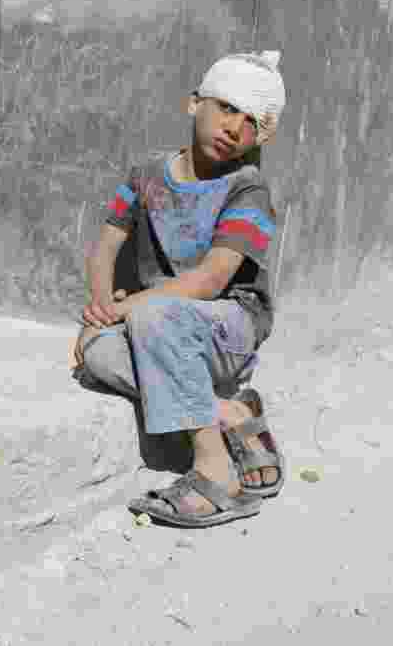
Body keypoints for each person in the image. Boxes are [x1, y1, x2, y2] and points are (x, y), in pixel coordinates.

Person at [73, 51, 287, 527]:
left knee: (152, 314)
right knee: (95, 352)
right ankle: (230, 413)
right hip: (163, 321)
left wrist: (131, 310)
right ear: (195, 103)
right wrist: (100, 307)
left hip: (227, 326)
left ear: (260, 136)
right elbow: (106, 244)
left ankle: (216, 472)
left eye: (251, 121)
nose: (234, 127)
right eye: (227, 107)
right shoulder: (145, 174)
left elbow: (211, 279)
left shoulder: (248, 191)